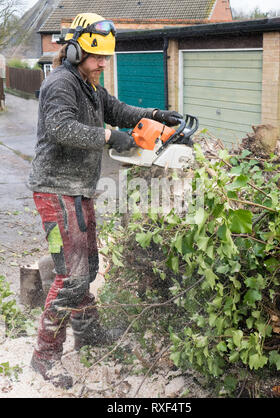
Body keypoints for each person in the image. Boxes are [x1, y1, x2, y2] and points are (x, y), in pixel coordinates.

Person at [27, 12, 182, 389]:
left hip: (79, 188)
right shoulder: (61, 84)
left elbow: (118, 111)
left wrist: (156, 115)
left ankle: (88, 332)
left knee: (88, 267)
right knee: (71, 275)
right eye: (97, 57)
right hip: (55, 188)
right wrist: (111, 138)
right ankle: (44, 356)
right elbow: (62, 129)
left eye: (106, 57)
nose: (102, 63)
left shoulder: (90, 85)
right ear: (76, 49)